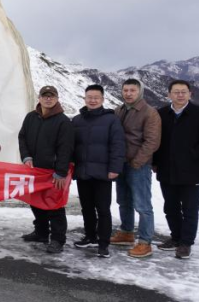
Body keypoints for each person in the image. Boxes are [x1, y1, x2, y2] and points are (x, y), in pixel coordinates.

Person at [152, 80, 199, 259]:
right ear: (169, 94)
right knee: (170, 208)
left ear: (190, 94)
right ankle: (176, 237)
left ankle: (186, 243)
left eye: (183, 92)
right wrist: (155, 161)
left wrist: (193, 153)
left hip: (191, 169)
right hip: (167, 169)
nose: (180, 95)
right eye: (176, 92)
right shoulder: (161, 113)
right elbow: (156, 140)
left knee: (190, 209)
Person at [17, 86, 75, 253]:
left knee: (54, 206)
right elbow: (22, 137)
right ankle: (41, 233)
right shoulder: (31, 117)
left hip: (53, 172)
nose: (48, 99)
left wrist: (61, 172)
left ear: (57, 98)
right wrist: (26, 157)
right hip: (35, 170)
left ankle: (58, 239)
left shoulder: (63, 121)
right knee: (36, 203)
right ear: (40, 98)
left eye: (52, 96)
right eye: (45, 96)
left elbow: (66, 148)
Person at [71, 85, 126, 258]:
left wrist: (115, 168)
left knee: (103, 209)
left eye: (96, 97)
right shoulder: (77, 120)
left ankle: (103, 243)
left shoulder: (111, 120)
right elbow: (71, 146)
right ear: (85, 98)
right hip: (83, 171)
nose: (92, 100)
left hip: (103, 173)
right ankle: (90, 236)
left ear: (102, 99)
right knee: (86, 208)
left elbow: (118, 145)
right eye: (89, 97)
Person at [110, 79, 162, 258]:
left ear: (139, 92)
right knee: (123, 201)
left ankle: (145, 242)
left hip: (138, 165)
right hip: (121, 163)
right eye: (125, 90)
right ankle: (126, 231)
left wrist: (137, 162)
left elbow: (152, 142)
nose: (128, 93)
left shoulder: (149, 112)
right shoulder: (120, 110)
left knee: (142, 204)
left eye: (132, 90)